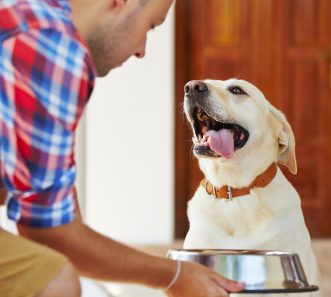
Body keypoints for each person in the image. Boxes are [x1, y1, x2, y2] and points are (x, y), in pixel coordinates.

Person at [0, 0, 245, 296]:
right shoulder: (56, 47)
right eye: (150, 26)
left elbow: (46, 204)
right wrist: (174, 275)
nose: (142, 50)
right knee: (55, 280)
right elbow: (48, 232)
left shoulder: (31, 12)